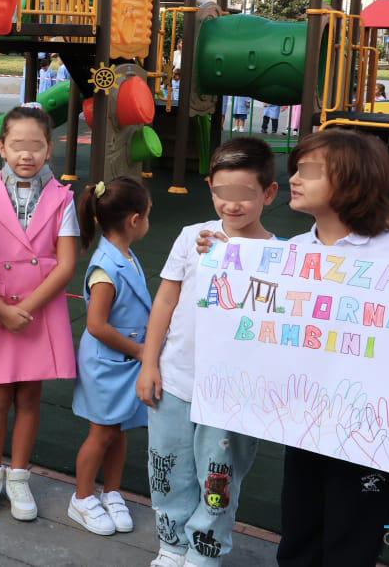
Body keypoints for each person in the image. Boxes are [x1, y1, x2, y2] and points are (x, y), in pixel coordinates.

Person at [197, 130, 389, 567]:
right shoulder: (296, 250)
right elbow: (260, 313)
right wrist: (225, 259)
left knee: (352, 534)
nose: (295, 178)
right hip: (307, 421)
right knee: (299, 523)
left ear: (353, 183)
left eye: (310, 171)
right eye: (297, 168)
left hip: (370, 432)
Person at [136, 137, 277, 565]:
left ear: (269, 193)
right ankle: (171, 544)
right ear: (210, 186)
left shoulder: (284, 255)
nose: (231, 204)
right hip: (175, 379)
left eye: (245, 194)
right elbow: (165, 300)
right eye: (221, 192)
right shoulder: (191, 238)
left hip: (232, 394)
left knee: (218, 478)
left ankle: (204, 551)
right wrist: (149, 362)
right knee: (167, 469)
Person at [0, 104, 78, 522]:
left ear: (50, 149)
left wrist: (23, 310)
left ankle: (18, 475)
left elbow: (66, 263)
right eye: (17, 146)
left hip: (38, 310)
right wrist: (0, 308)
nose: (26, 155)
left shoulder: (62, 198)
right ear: (1, 148)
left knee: (30, 395)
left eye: (36, 146)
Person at [68, 176, 151, 537]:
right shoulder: (105, 269)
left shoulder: (124, 256)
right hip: (111, 361)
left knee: (119, 430)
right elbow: (97, 325)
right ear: (135, 220)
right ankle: (82, 497)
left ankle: (112, 491)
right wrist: (138, 350)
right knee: (101, 433)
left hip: (124, 360)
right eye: (148, 214)